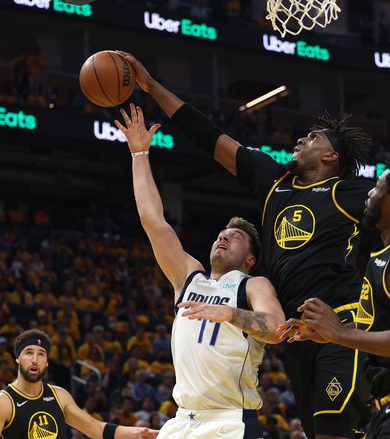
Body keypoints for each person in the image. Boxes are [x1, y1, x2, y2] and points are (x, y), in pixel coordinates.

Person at [117, 50, 390, 439]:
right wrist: (151, 86)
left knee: (332, 431)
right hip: (295, 334)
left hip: (339, 324)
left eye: (314, 138)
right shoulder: (272, 182)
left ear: (331, 158)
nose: (301, 139)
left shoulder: (350, 193)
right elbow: (208, 136)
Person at [114, 104, 285, 438]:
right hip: (182, 421)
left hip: (230, 421)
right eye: (222, 234)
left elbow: (276, 328)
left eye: (235, 238)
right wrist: (139, 154)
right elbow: (154, 222)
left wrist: (230, 314)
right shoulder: (189, 275)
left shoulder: (252, 285)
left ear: (250, 259)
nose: (223, 237)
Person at [278, 154, 390, 438]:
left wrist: (339, 334)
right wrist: (326, 332)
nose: (369, 192)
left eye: (377, 187)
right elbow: (376, 328)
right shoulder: (386, 255)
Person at [0, 329, 158, 439]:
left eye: (41, 354)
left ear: (46, 362)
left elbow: (96, 429)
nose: (34, 359)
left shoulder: (59, 396)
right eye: (28, 353)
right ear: (17, 359)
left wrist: (138, 433)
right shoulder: (1, 403)